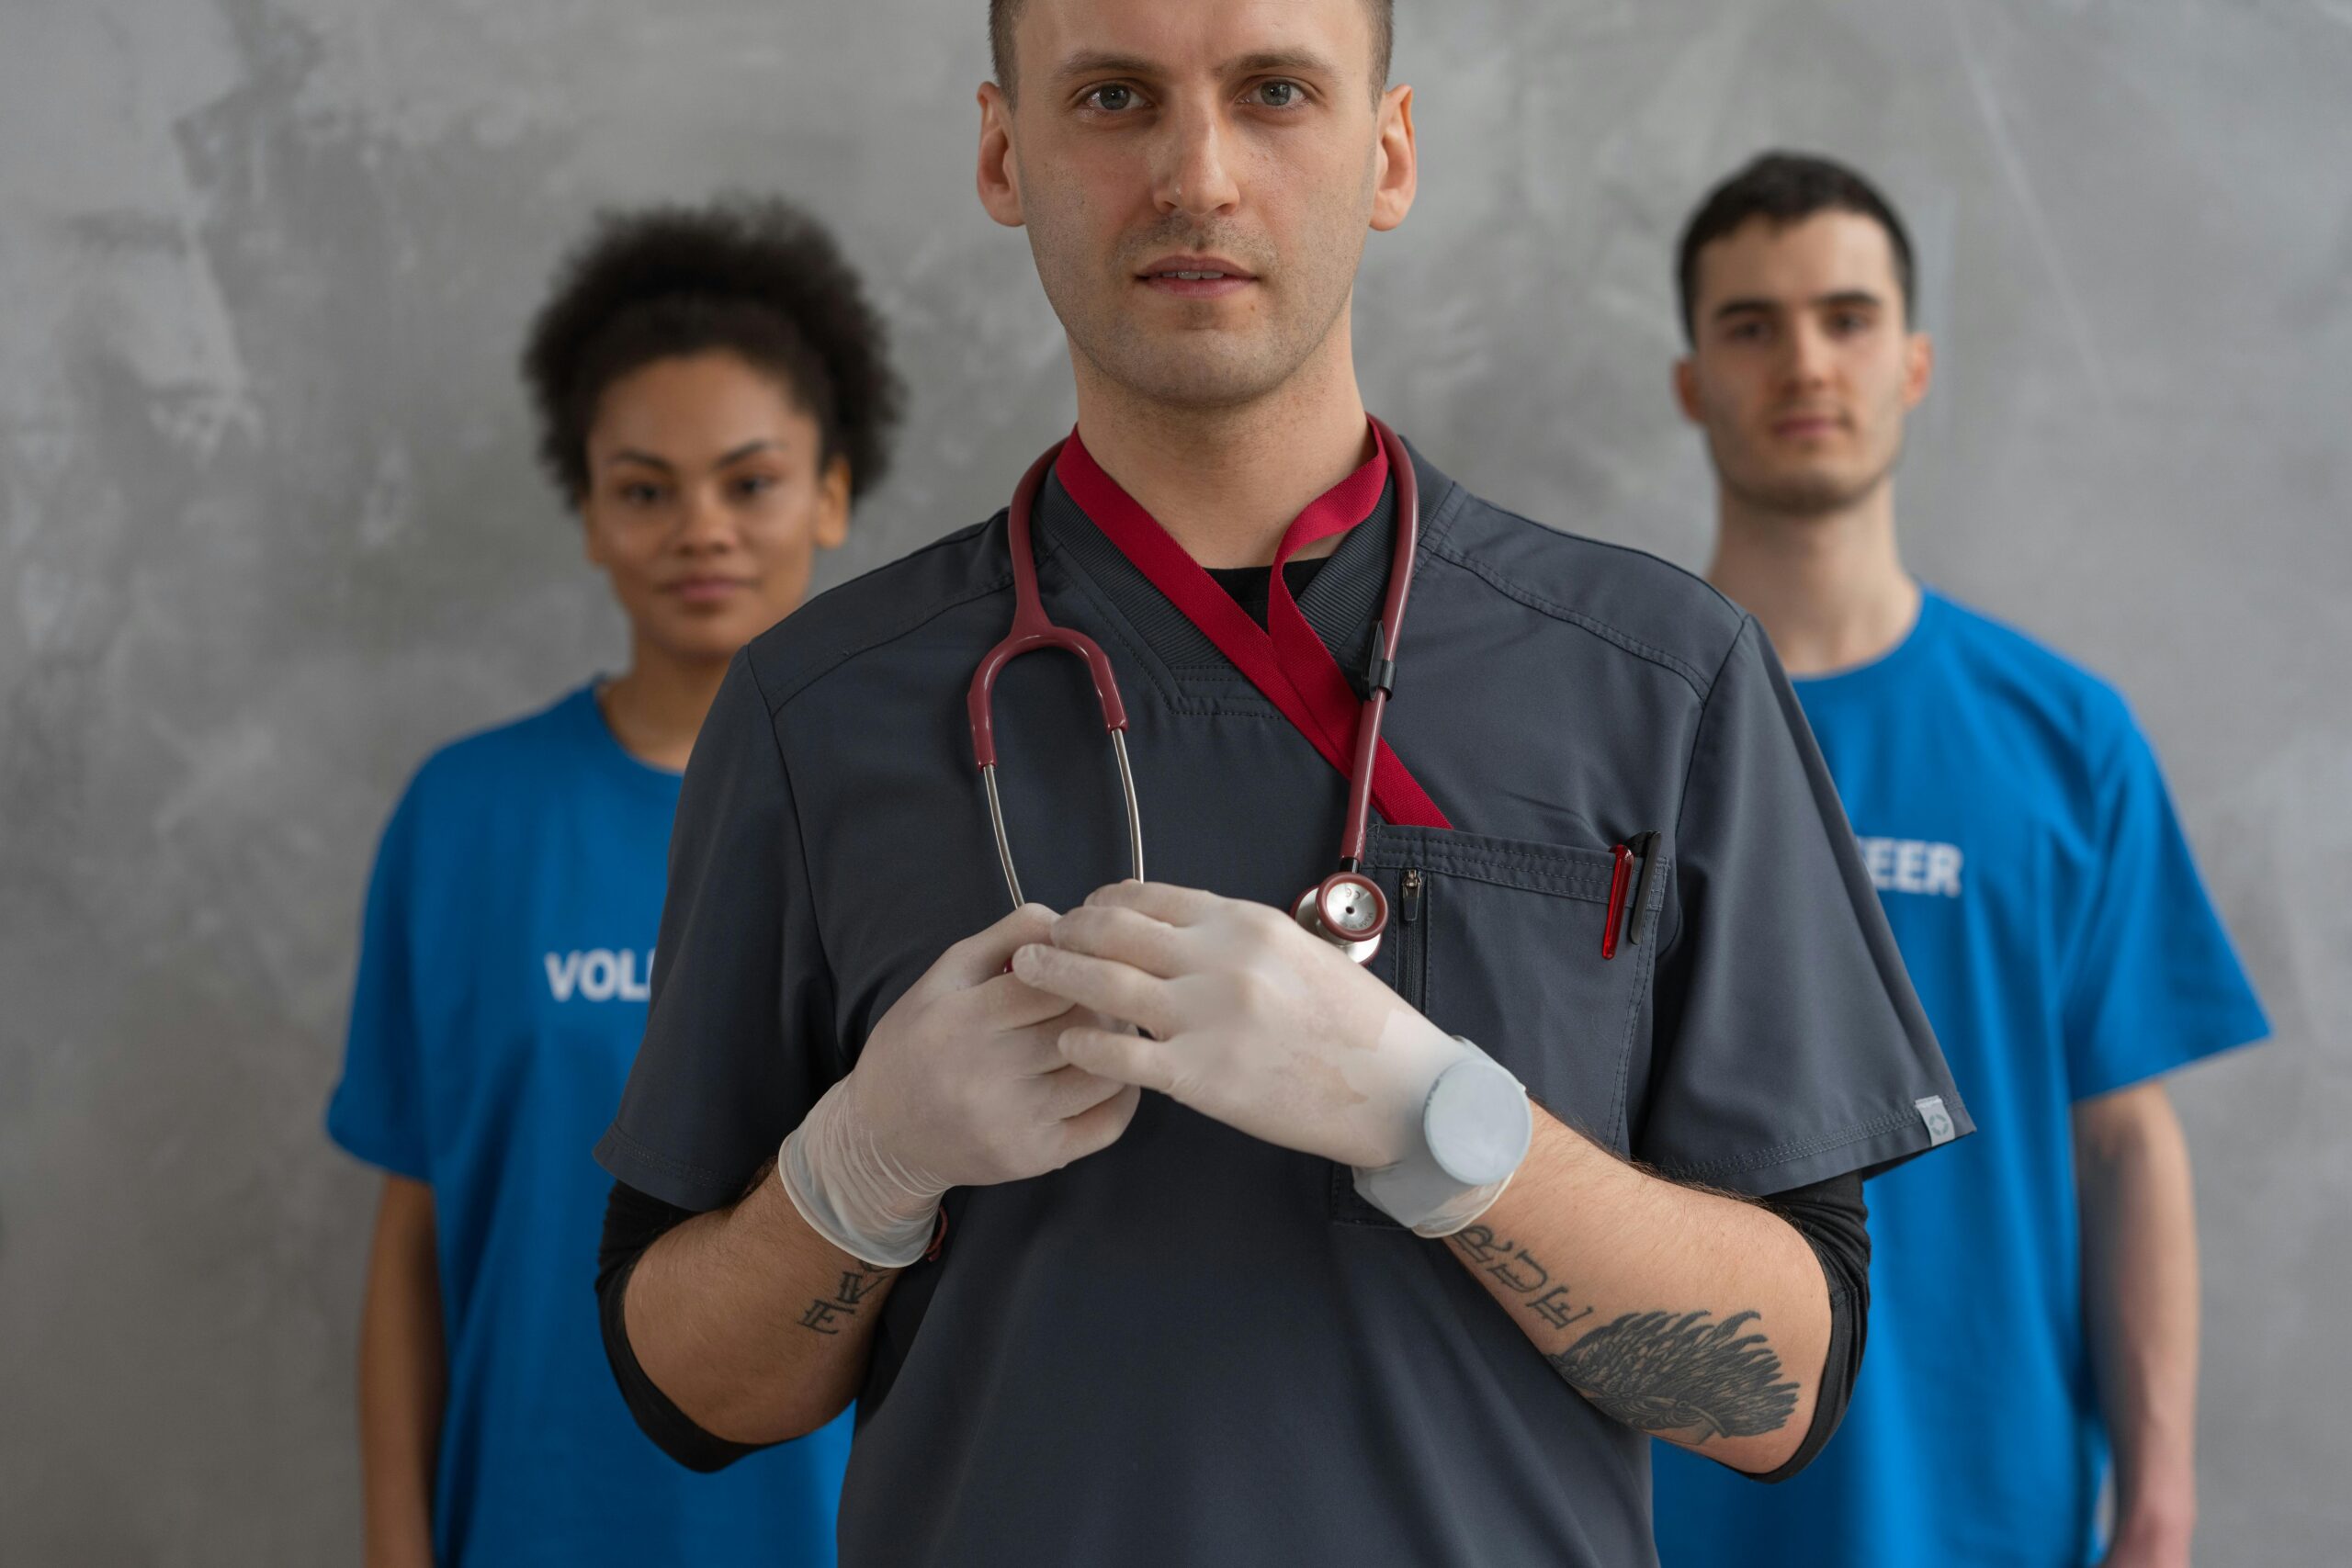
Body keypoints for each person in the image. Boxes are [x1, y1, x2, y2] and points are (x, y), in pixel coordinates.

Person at [592, 8, 1970, 1565]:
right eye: (1113, 99)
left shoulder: (1659, 681)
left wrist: (1446, 1128)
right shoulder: (818, 711)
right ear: (1002, 152)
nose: (1198, 175)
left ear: (1386, 151)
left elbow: (1780, 1389)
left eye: (1275, 92)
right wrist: (865, 1168)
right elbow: (689, 1389)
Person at [1648, 153, 2269, 1568]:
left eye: (1848, 316)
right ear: (1692, 379)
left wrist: (2161, 1504)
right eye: (1751, 325)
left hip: (1990, 1511)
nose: (1806, 360)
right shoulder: (1605, 731)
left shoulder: (2063, 739)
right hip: (1660, 1509)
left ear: (1914, 363)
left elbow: (2122, 1141)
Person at [326, 196, 902, 1567]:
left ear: (831, 489)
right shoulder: (466, 816)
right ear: (588, 512)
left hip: (838, 1531)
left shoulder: (919, 821)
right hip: (534, 1521)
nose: (699, 528)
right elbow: (413, 1240)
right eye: (645, 488)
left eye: (749, 481)